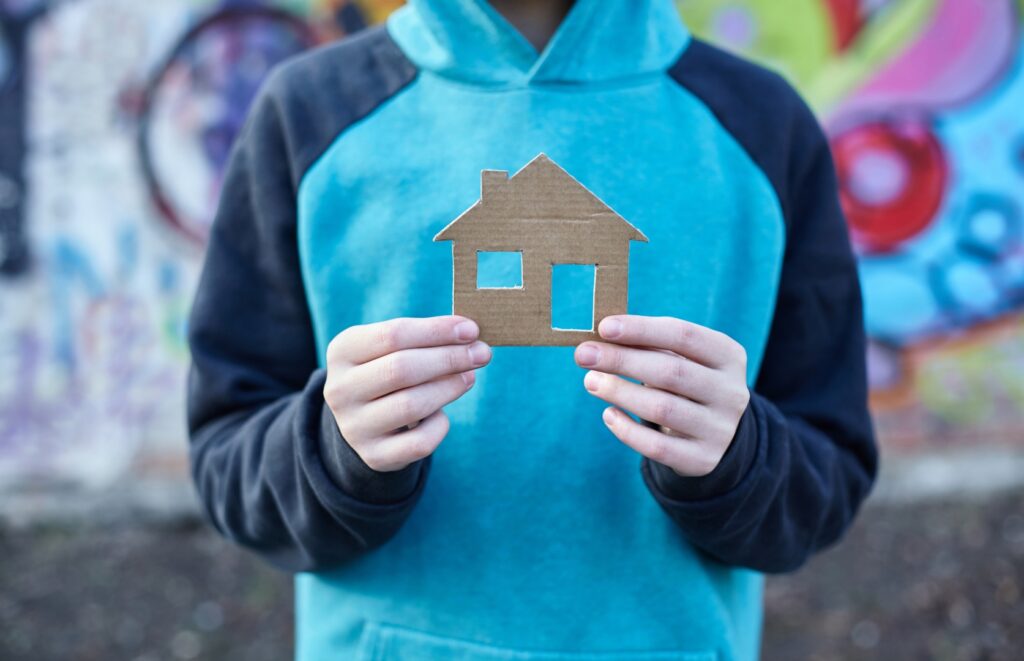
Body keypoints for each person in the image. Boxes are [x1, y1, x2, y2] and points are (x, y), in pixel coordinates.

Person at [186, 0, 878, 658]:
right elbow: (227, 455)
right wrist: (329, 453)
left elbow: (831, 469)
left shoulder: (763, 126)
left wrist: (742, 459)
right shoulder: (307, 114)